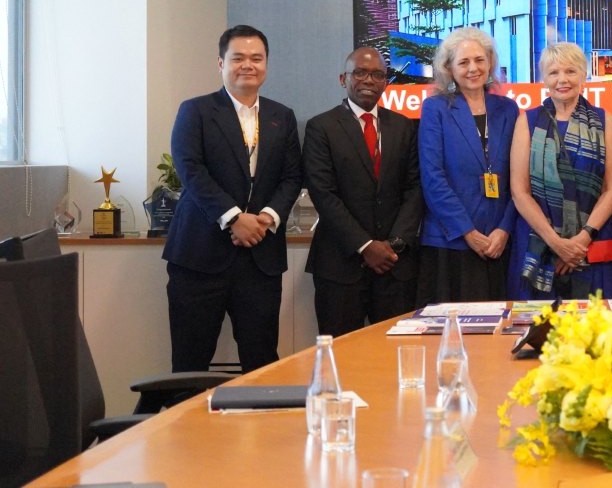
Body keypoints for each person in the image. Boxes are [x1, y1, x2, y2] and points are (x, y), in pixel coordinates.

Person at [164, 24, 302, 372]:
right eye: (238, 57)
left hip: (261, 258)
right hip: (200, 255)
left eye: (256, 58)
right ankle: (187, 427)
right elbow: (191, 170)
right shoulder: (195, 111)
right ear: (221, 64)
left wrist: (267, 217)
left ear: (266, 65)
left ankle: (257, 426)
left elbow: (292, 176)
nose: (248, 65)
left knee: (261, 362)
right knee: (190, 363)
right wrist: (233, 217)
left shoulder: (281, 117)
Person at [303, 46, 423, 337]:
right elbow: (323, 193)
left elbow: (415, 188)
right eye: (359, 72)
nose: (368, 80)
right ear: (343, 79)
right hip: (340, 266)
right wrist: (366, 246)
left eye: (377, 74)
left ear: (385, 82)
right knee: (341, 362)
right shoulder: (321, 127)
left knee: (397, 358)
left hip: (396, 267)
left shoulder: (405, 127)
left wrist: (393, 245)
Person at [509, 42, 612, 300]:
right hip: (539, 244)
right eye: (554, 72)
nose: (562, 80)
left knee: (595, 333)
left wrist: (580, 241)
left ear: (583, 75)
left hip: (592, 243)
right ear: (544, 79)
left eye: (570, 71)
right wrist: (556, 243)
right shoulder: (527, 121)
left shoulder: (604, 120)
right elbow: (520, 192)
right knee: (538, 333)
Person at [416, 28, 518, 304]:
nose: (473, 68)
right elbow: (433, 178)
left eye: (479, 60)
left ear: (490, 63)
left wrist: (504, 229)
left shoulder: (509, 109)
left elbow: (519, 180)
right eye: (463, 62)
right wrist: (469, 233)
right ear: (449, 68)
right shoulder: (435, 109)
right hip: (451, 243)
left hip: (500, 243)